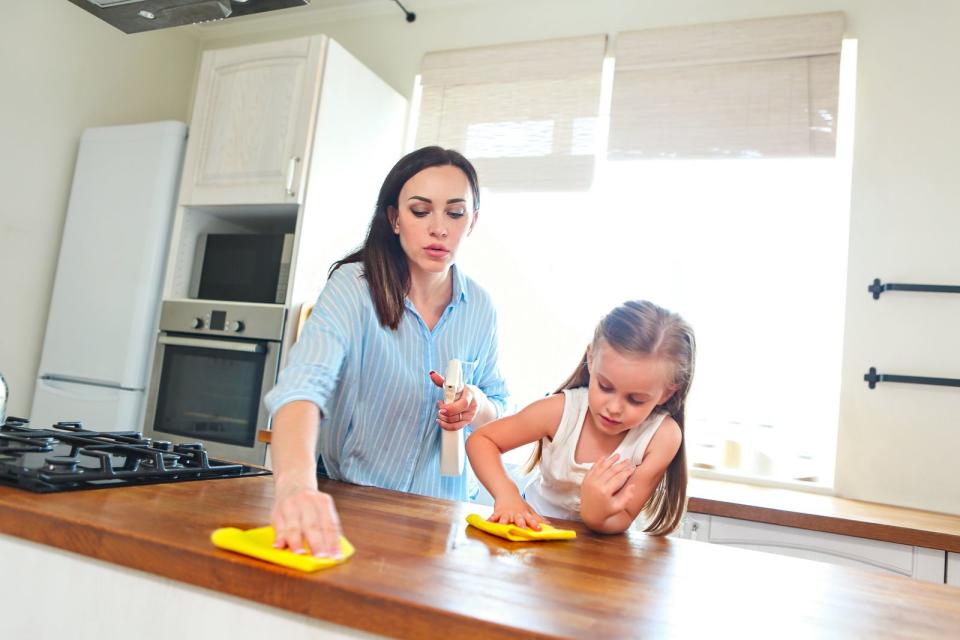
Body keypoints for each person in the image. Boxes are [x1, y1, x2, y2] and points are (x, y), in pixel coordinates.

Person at [265, 147, 508, 557]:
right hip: (354, 507)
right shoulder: (353, 287)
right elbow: (303, 385)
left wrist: (475, 404)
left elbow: (498, 406)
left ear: (473, 221)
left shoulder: (480, 307)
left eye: (454, 213)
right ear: (394, 218)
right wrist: (295, 487)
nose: (439, 229)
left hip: (440, 521)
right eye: (420, 211)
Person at [466, 300, 695, 535]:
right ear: (592, 359)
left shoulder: (662, 437)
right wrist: (507, 495)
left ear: (667, 392)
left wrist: (595, 513)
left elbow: (623, 518)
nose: (614, 408)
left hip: (602, 556)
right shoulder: (560, 411)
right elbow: (482, 440)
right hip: (534, 537)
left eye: (636, 400)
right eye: (605, 387)